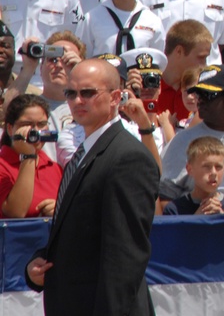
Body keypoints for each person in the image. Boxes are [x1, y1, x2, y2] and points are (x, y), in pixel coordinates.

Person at [25, 58, 159, 315]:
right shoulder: (86, 151)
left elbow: (124, 256)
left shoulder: (128, 157)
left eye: (88, 93)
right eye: (71, 93)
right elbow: (76, 234)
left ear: (115, 97)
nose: (77, 101)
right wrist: (37, 266)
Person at [158, 64, 224, 206]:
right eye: (199, 93)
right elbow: (164, 198)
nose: (200, 100)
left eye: (209, 95)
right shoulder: (184, 141)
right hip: (197, 222)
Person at [9, 32, 85, 163]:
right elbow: (5, 112)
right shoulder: (30, 106)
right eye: (53, 59)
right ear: (41, 66)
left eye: (67, 60)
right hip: (39, 178)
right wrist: (28, 68)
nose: (60, 66)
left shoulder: (90, 106)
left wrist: (82, 73)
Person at [0, 94, 62, 218]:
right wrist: (28, 156)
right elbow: (15, 213)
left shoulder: (54, 167)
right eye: (27, 124)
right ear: (10, 129)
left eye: (41, 124)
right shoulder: (2, 166)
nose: (35, 131)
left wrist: (59, 208)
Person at [161, 136, 224, 216]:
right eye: (207, 167)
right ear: (190, 169)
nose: (213, 173)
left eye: (218, 167)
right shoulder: (174, 210)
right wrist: (197, 219)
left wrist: (222, 219)